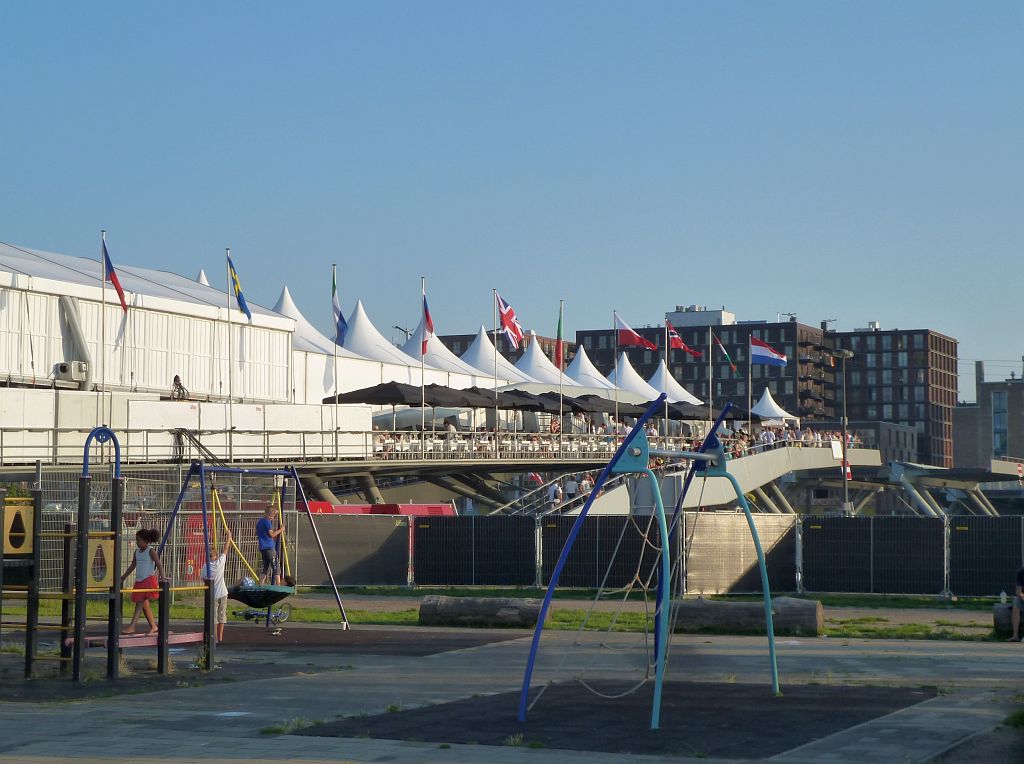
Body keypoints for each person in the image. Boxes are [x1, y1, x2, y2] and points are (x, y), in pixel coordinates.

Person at [121, 528, 166, 635]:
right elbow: (133, 565)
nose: (137, 542)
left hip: (148, 580)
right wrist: (124, 576)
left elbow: (158, 564)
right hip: (139, 581)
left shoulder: (150, 551)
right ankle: (153, 626)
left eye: (139, 540)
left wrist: (162, 577)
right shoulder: (137, 552)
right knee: (144, 604)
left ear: (146, 540)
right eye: (136, 540)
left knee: (140, 603)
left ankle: (132, 626)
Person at [203, 529, 232, 644]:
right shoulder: (220, 562)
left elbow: (203, 579)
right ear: (215, 555)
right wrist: (229, 537)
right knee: (222, 615)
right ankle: (220, 637)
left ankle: (214, 637)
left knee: (214, 617)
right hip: (223, 593)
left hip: (213, 594)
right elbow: (225, 549)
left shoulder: (206, 567)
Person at [256, 505, 284, 585]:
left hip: (262, 547)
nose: (272, 518)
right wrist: (281, 530)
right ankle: (278, 584)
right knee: (275, 565)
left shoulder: (260, 522)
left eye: (273, 516)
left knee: (266, 566)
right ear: (267, 514)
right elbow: (271, 535)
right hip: (269, 547)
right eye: (271, 516)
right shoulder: (267, 522)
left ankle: (260, 583)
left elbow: (256, 533)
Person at [1009, 566, 1024, 642]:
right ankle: (1015, 636)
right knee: (1015, 603)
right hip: (1023, 597)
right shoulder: (1021, 572)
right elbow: (1018, 592)